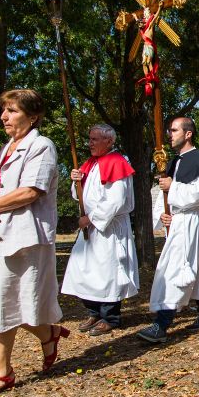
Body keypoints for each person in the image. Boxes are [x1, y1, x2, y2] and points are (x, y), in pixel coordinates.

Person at [0, 89, 64, 397]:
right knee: (6, 305)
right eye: (4, 111)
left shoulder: (41, 145)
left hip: (23, 238)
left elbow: (31, 191)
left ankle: (1, 372)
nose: (5, 117)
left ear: (33, 116)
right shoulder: (5, 148)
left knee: (9, 305)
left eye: (13, 111)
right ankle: (49, 335)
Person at [138, 117, 199, 344]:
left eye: (174, 130)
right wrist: (166, 215)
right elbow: (168, 198)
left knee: (177, 268)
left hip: (190, 221)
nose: (169, 134)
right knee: (193, 269)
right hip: (178, 221)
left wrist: (172, 187)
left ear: (188, 134)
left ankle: (162, 323)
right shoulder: (174, 162)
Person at [61, 124, 139, 337]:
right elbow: (80, 196)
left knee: (108, 272)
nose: (90, 143)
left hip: (109, 228)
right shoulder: (91, 164)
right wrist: (76, 180)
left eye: (95, 139)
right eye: (90, 138)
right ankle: (93, 311)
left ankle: (110, 317)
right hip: (91, 227)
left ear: (109, 141)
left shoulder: (117, 162)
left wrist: (91, 218)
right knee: (82, 270)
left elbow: (116, 200)